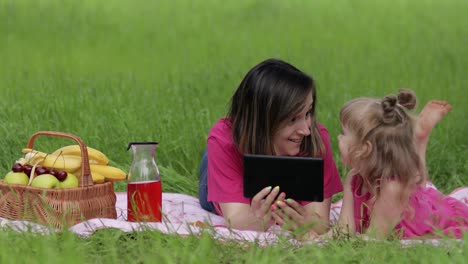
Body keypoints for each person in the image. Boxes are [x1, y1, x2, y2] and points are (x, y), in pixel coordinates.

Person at [276, 89, 467, 239]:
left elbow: (373, 241)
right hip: (401, 197)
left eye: (344, 134)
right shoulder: (353, 178)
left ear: (364, 149)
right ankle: (417, 139)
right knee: (414, 178)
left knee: (415, 180)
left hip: (433, 221)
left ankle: (419, 139)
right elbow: (345, 231)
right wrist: (315, 238)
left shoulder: (391, 188)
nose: (338, 138)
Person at [198, 58, 343, 232]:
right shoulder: (224, 139)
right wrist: (258, 220)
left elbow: (319, 223)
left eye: (308, 113)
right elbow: (236, 221)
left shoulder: (316, 139)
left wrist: (305, 223)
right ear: (262, 120)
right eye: (292, 119)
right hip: (228, 162)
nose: (306, 130)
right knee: (214, 153)